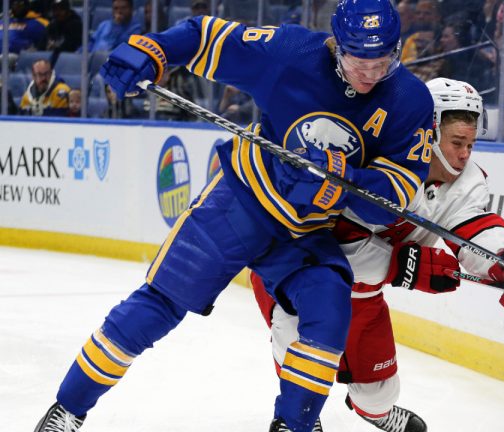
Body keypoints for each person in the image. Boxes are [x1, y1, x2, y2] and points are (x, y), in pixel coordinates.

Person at [33, 1, 435, 432]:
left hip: (306, 231)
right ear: (336, 45)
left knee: (329, 308)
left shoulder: (410, 100)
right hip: (239, 203)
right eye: (360, 59)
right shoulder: (292, 52)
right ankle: (68, 409)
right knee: (159, 304)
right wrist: (155, 50)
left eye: (383, 59)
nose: (371, 72)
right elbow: (206, 35)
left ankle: (292, 425)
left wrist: (346, 179)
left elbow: (396, 194)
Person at [251, 78, 504, 432]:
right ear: (428, 132)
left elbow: (474, 227)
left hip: (365, 294)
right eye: (456, 143)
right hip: (300, 276)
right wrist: (400, 265)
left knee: (378, 392)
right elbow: (327, 241)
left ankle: (373, 412)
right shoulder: (376, 162)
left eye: (470, 143)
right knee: (300, 341)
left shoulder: (467, 179)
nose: (465, 153)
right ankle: (298, 415)